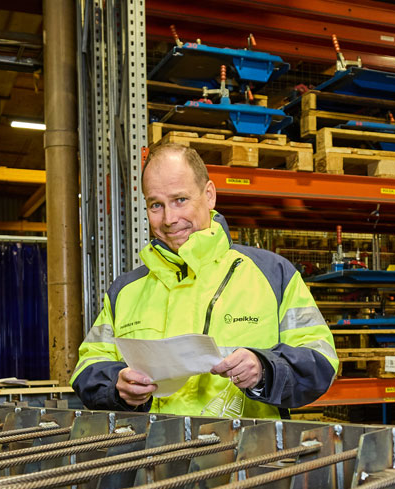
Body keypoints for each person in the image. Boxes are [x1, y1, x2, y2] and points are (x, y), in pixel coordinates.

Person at [71, 141, 338, 418]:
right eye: (156, 205)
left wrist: (264, 368)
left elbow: (321, 361)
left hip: (244, 454)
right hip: (152, 455)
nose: (169, 219)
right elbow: (87, 367)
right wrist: (117, 386)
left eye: (180, 200)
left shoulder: (272, 274)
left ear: (209, 195)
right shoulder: (125, 292)